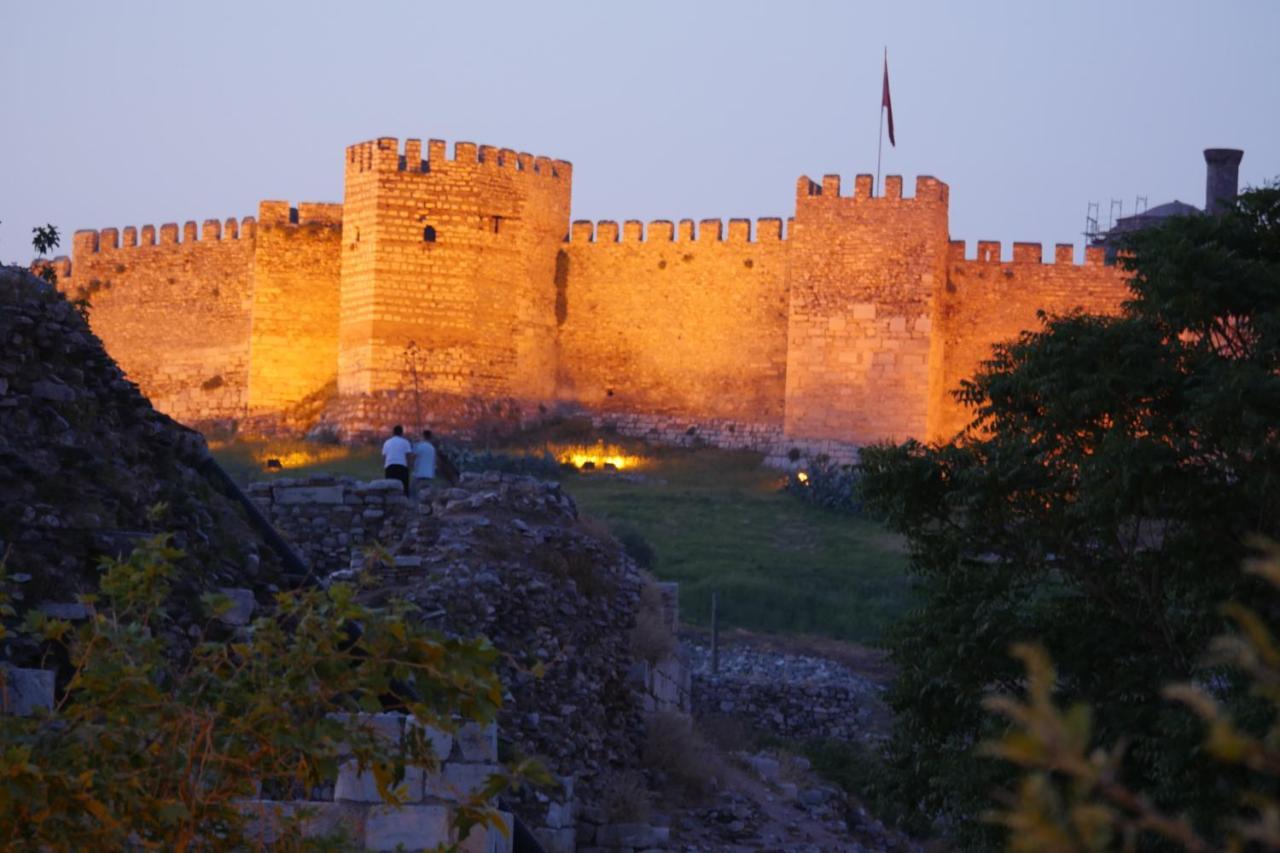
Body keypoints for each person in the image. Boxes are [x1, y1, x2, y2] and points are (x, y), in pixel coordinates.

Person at [381, 425, 412, 495]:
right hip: (402, 466)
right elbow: (408, 456)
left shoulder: (387, 442)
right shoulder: (405, 442)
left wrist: (385, 466)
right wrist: (408, 467)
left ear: (393, 432)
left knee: (390, 488)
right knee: (404, 488)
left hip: (390, 466)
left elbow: (384, 456)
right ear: (402, 433)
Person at [411, 429, 437, 495]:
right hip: (429, 475)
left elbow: (412, 456)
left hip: (419, 474)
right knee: (427, 495)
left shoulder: (419, 446)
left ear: (423, 436)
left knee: (413, 492)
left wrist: (414, 443)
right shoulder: (432, 448)